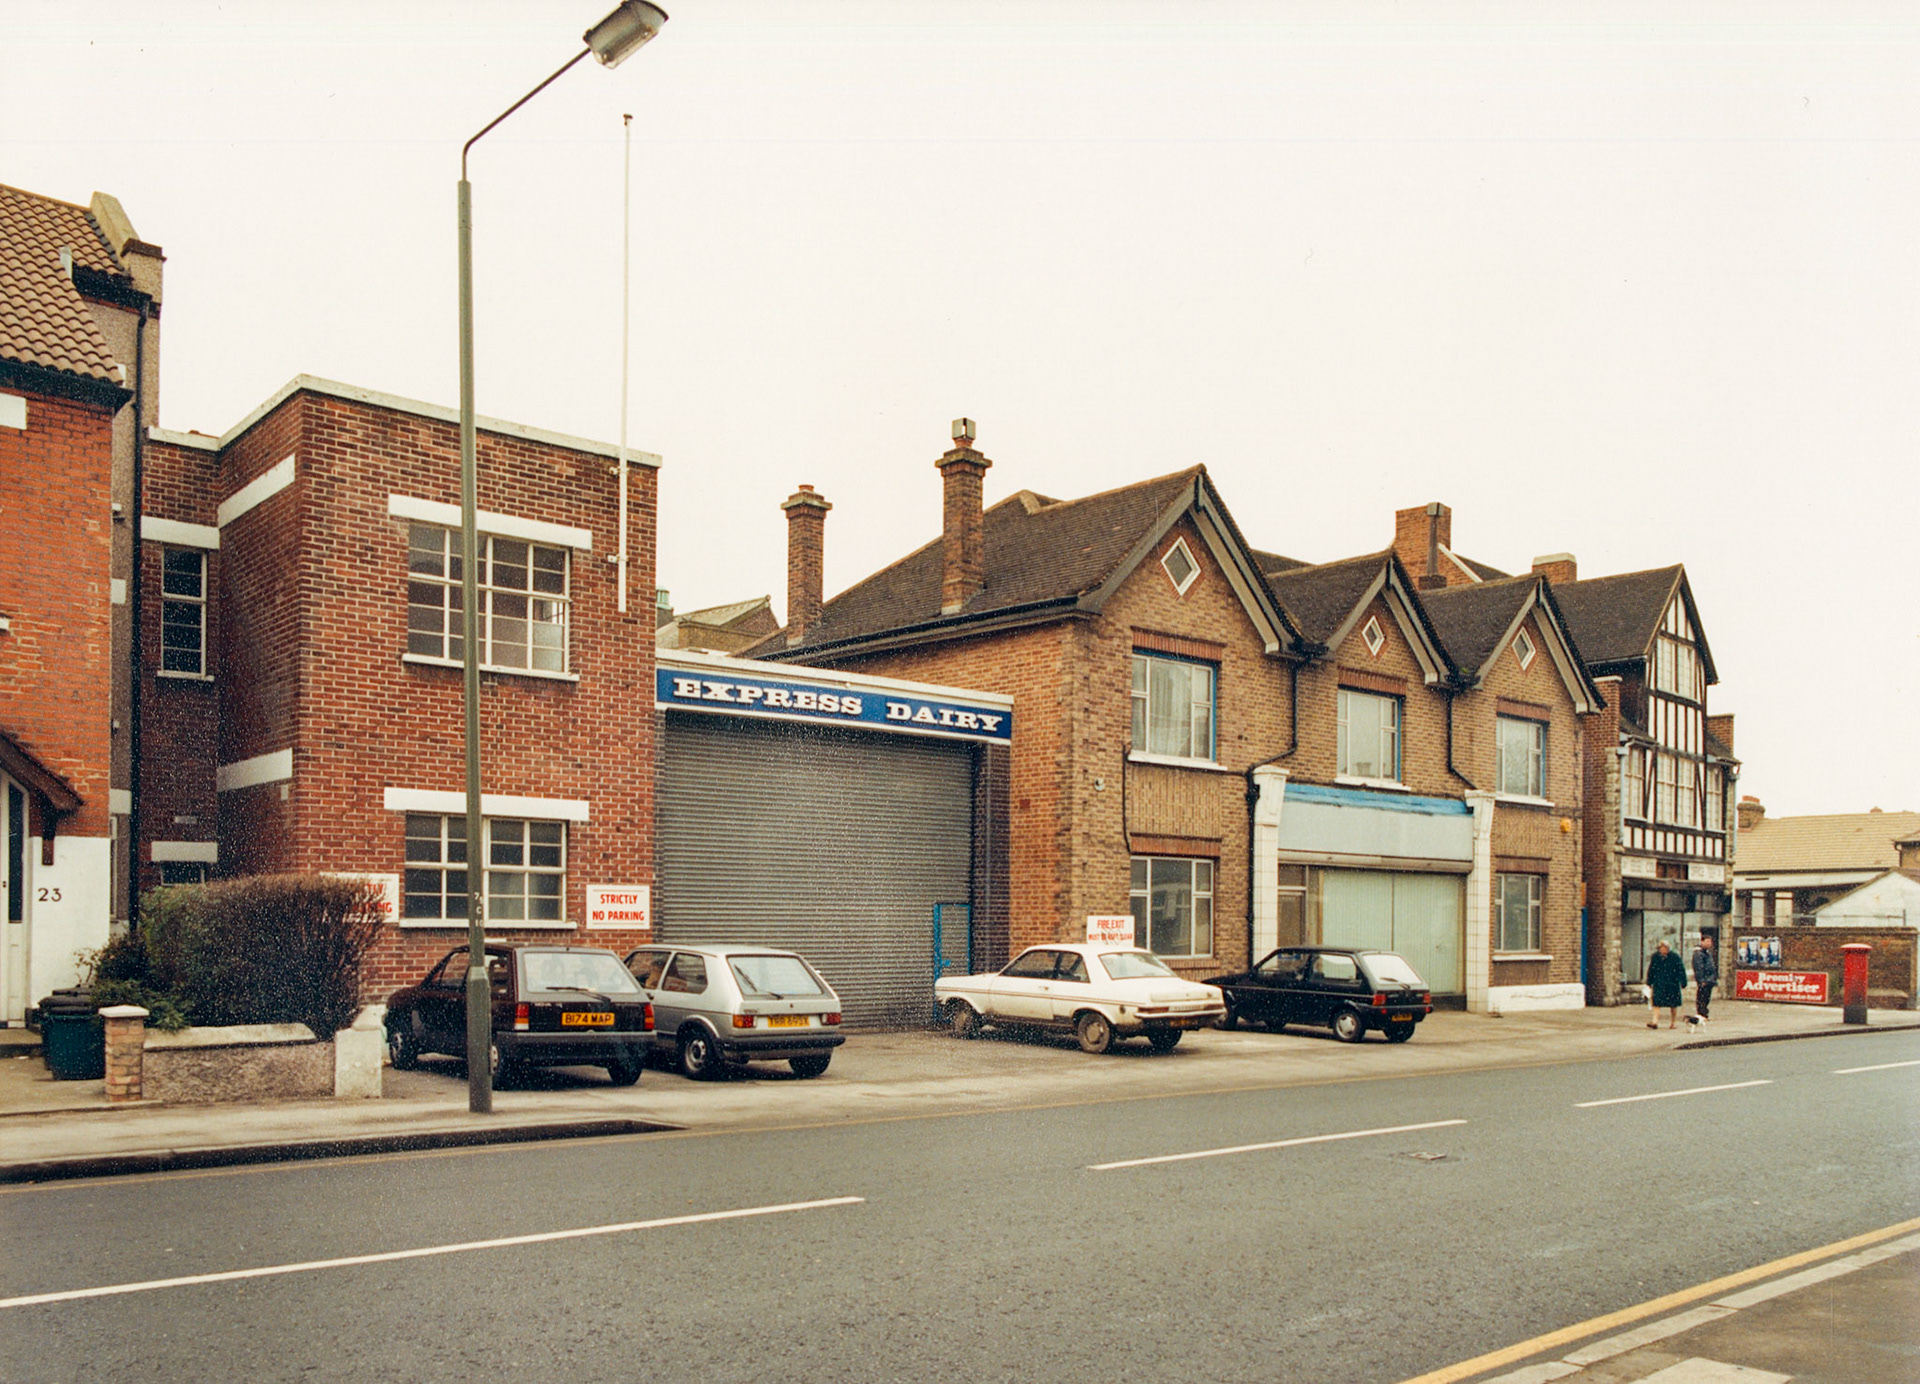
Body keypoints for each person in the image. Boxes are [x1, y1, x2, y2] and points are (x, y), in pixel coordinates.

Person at [1646, 940, 1686, 1029]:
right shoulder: (1655, 957)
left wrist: (1683, 982)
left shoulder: (1675, 957)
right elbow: (1651, 969)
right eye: (1661, 948)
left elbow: (1681, 969)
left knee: (1673, 1004)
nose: (1663, 950)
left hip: (1672, 983)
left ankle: (1673, 1022)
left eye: (1664, 948)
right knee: (1656, 1003)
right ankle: (1655, 1022)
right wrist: (1649, 981)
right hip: (1659, 983)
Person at [1691, 931, 1718, 1023]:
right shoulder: (1699, 954)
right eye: (1707, 941)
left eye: (1710, 942)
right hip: (1704, 979)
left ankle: (1705, 1013)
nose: (1709, 944)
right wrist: (1701, 979)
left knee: (1707, 997)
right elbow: (1698, 967)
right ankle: (1701, 1013)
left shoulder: (1708, 953)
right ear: (1702, 942)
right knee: (1702, 997)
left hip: (1710, 979)